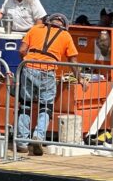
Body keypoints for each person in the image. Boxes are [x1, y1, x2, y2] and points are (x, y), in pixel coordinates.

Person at [16, 12, 85, 155]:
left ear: (49, 21)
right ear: (64, 25)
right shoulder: (66, 36)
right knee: (45, 107)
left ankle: (22, 143)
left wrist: (26, 63)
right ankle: (39, 137)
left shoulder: (35, 29)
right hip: (48, 72)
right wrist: (80, 79)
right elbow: (73, 61)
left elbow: (22, 50)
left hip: (29, 67)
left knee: (25, 105)